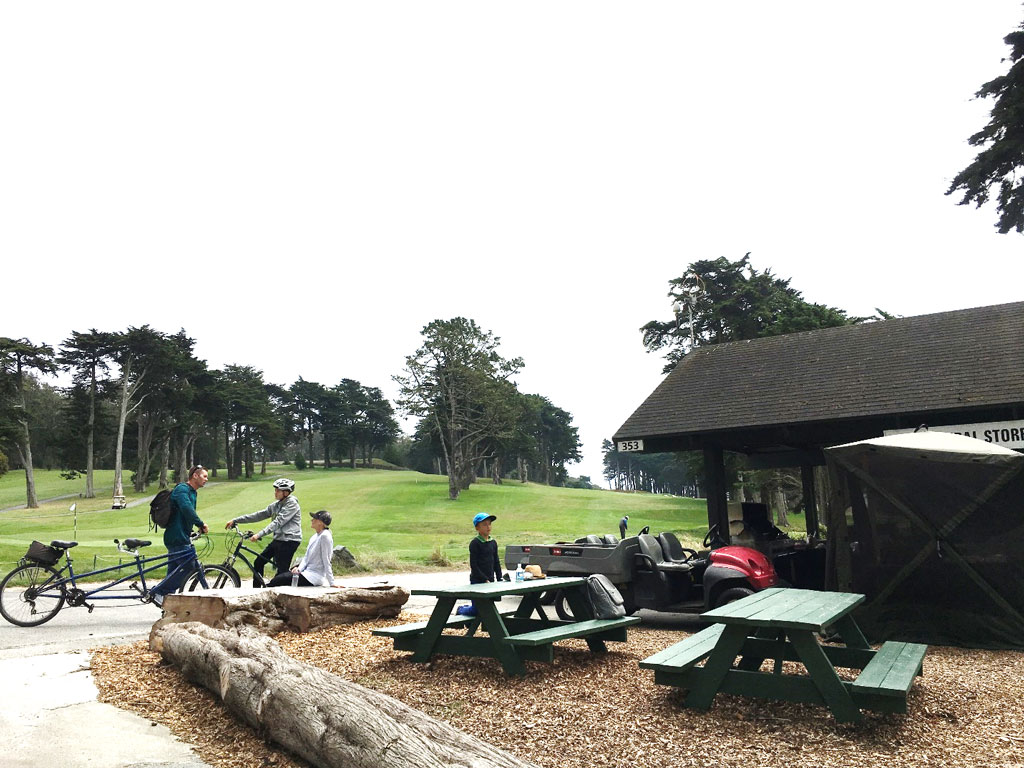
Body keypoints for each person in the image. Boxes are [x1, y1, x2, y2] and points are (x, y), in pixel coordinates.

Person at [150, 465, 210, 607]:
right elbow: (186, 508)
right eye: (204, 476)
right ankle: (159, 592)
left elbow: (181, 516)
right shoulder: (182, 489)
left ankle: (166, 600)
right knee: (190, 569)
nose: (206, 479)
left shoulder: (192, 492)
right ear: (195, 476)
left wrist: (190, 531)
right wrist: (200, 524)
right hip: (176, 538)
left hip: (181, 536)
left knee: (173, 572)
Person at [225, 478, 302, 585]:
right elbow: (258, 515)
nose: (275, 492)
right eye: (275, 490)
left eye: (278, 490)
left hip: (289, 541)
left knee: (281, 573)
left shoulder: (292, 504)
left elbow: (278, 522)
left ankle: (276, 592)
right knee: (258, 562)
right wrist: (236, 520)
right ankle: (257, 592)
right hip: (278, 540)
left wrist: (259, 534)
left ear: (286, 492)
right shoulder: (276, 505)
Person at [268, 510, 335, 587]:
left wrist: (332, 583)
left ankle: (266, 587)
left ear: (320, 522)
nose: (312, 520)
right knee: (279, 578)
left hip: (314, 577)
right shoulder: (315, 536)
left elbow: (326, 560)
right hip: (306, 573)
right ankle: (267, 586)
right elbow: (306, 558)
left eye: (314, 519)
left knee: (280, 579)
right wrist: (299, 569)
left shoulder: (325, 536)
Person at [457, 512, 504, 617]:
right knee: (476, 610)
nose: (488, 527)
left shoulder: (493, 543)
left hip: (490, 579)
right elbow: (474, 565)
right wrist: (484, 579)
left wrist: (499, 577)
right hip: (477, 580)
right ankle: (461, 610)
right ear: (477, 528)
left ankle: (485, 627)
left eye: (489, 524)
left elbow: (496, 561)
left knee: (488, 608)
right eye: (484, 524)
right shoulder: (475, 543)